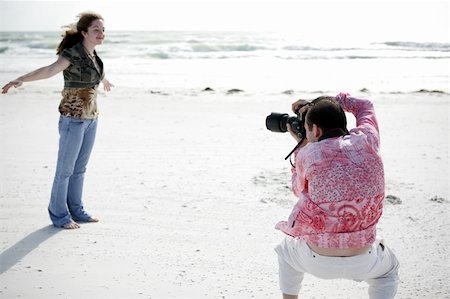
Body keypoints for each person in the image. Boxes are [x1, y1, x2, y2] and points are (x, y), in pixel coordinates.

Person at [274, 93, 400, 298]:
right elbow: (365, 105)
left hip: (316, 257)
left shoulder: (308, 154)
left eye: (307, 129)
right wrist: (318, 103)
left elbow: (298, 190)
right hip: (364, 257)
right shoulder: (368, 139)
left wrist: (302, 147)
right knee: (389, 272)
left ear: (315, 129)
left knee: (285, 252)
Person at [2, 12, 114, 229]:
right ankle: (59, 215)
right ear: (84, 33)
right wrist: (21, 79)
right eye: (96, 30)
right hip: (73, 120)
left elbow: (94, 73)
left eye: (103, 30)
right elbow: (50, 70)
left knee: (80, 169)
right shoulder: (72, 54)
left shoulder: (94, 56)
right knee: (65, 169)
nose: (101, 33)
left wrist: (105, 79)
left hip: (91, 119)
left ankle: (77, 210)